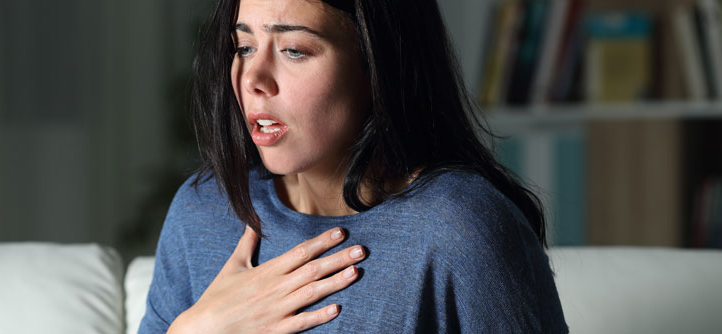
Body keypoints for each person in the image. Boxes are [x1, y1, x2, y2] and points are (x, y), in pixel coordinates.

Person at [139, 0, 569, 332]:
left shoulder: (462, 231)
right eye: (244, 46)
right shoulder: (203, 212)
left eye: (293, 50)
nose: (253, 78)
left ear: (377, 65)